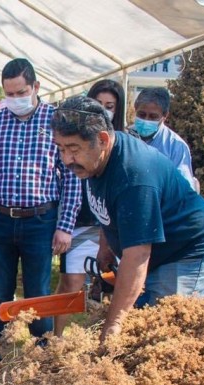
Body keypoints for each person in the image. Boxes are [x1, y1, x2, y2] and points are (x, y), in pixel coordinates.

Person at [50, 95, 204, 342]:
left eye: (73, 149)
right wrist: (106, 246)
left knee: (165, 332)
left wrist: (112, 326)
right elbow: (107, 207)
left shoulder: (134, 177)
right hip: (156, 250)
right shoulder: (93, 160)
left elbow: (137, 256)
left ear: (102, 140)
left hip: (188, 249)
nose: (66, 159)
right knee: (143, 325)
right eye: (61, 148)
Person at [0, 58, 81, 359]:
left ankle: (41, 352)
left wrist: (65, 225)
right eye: (10, 93)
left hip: (41, 220)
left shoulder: (57, 122)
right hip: (0, 220)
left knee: (38, 294)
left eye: (21, 92)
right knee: (0, 294)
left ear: (36, 87)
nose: (15, 99)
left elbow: (71, 176)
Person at [53, 79, 126, 336]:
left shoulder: (124, 162)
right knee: (71, 283)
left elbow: (136, 255)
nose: (66, 158)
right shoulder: (82, 154)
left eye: (110, 106)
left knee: (119, 285)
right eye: (99, 104)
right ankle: (57, 338)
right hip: (81, 224)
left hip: (116, 229)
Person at [130, 87, 195, 187]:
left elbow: (183, 188)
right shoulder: (125, 136)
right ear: (135, 109)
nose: (146, 120)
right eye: (141, 114)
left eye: (153, 116)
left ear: (165, 116)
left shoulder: (176, 147)